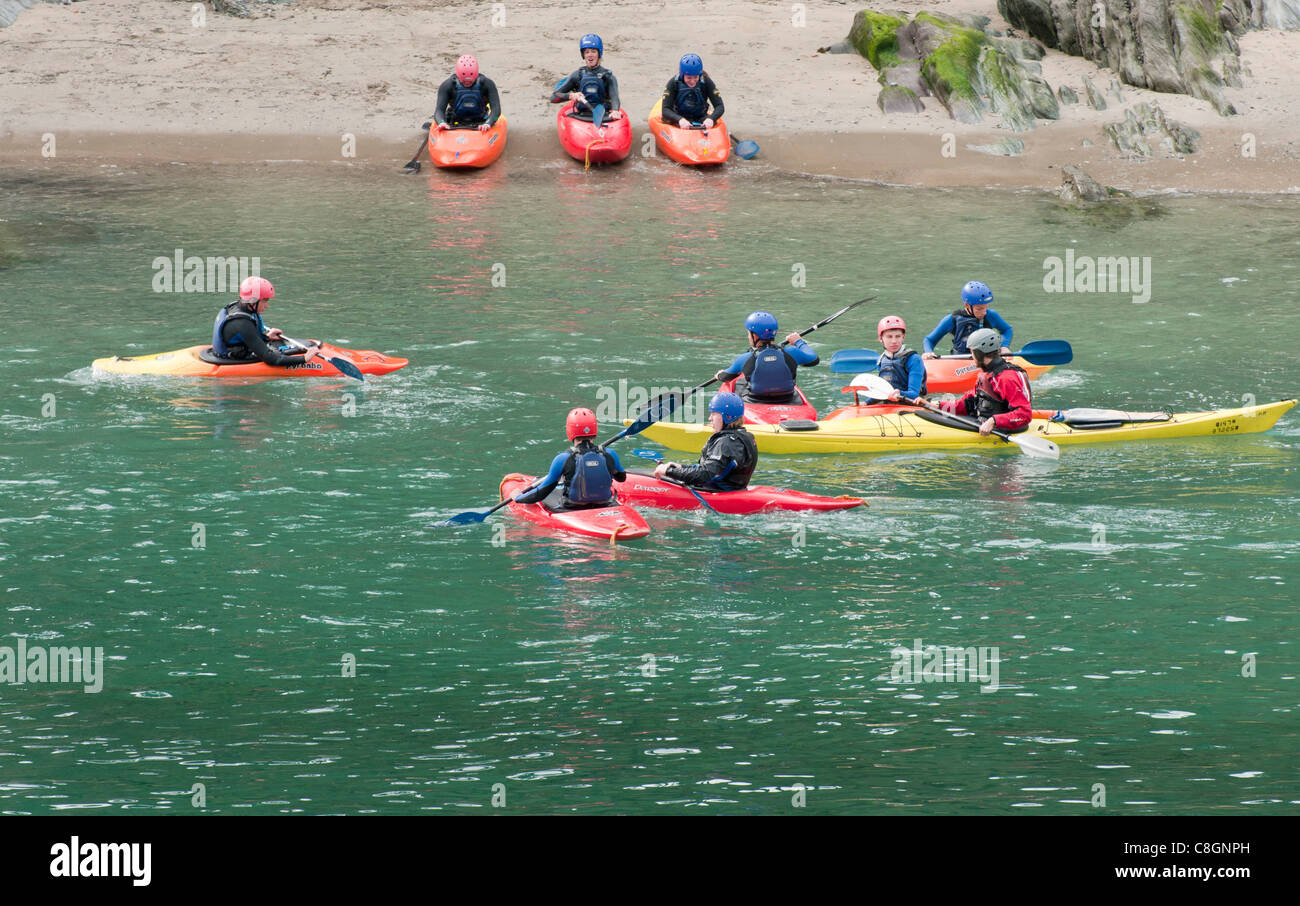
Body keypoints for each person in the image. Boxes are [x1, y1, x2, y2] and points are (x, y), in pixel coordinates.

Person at [514, 408, 627, 509]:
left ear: (570, 432)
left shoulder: (563, 459)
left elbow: (542, 492)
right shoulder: (610, 454)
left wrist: (518, 497)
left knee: (553, 490)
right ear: (595, 432)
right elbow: (621, 478)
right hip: (605, 504)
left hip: (573, 508)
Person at [653, 392, 757, 491]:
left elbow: (705, 475)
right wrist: (681, 468)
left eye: (714, 414)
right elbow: (713, 469)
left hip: (715, 493)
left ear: (728, 417)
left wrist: (668, 471)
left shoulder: (726, 443)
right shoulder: (745, 437)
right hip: (731, 489)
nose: (710, 418)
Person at [937, 328, 1032, 435]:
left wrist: (993, 421)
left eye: (972, 352)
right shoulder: (986, 374)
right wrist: (938, 405)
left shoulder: (1007, 378)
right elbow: (967, 404)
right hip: (983, 421)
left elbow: (1024, 415)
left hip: (1004, 428)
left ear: (979, 353)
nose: (971, 356)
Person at [211, 276, 322, 366]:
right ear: (253, 301)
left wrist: (266, 337)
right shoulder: (242, 323)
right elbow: (272, 360)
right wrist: (304, 359)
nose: (267, 305)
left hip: (232, 350)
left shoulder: (238, 307)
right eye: (265, 301)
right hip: (232, 359)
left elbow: (245, 337)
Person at [714, 311, 819, 404]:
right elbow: (814, 359)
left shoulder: (745, 358)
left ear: (755, 336)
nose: (748, 337)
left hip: (755, 401)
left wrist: (719, 375)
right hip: (788, 398)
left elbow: (726, 376)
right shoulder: (792, 352)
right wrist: (798, 341)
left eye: (749, 334)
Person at [922, 280, 1013, 358]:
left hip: (986, 360)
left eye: (986, 307)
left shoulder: (991, 315)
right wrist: (928, 352)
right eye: (979, 309)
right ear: (967, 305)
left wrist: (1004, 346)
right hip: (960, 361)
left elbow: (1007, 330)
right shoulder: (952, 319)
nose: (984, 312)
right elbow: (929, 340)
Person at [550, 33, 622, 128]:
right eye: (587, 52)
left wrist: (615, 110)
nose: (590, 55)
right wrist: (571, 95)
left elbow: (614, 98)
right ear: (583, 55)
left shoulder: (608, 76)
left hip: (604, 115)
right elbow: (553, 97)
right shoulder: (577, 75)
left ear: (599, 53)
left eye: (593, 51)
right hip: (581, 116)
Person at [433, 55, 503, 132]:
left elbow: (496, 110)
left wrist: (488, 123)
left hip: (481, 121)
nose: (467, 83)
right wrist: (441, 122)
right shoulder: (447, 85)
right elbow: (439, 110)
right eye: (464, 81)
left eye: (470, 81)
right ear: (458, 75)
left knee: (491, 120)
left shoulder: (487, 84)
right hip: (455, 120)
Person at [659, 53, 724, 129]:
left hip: (700, 118)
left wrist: (711, 119)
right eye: (689, 78)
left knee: (713, 122)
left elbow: (720, 106)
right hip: (679, 117)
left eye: (695, 77)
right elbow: (665, 109)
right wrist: (680, 119)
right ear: (682, 75)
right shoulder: (673, 83)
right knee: (666, 119)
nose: (692, 81)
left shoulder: (706, 82)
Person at [873, 315, 927, 401]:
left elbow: (914, 394)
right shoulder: (881, 360)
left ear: (903, 337)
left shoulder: (914, 359)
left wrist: (899, 393)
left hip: (912, 404)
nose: (894, 341)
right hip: (889, 404)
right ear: (880, 338)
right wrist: (865, 403)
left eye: (898, 336)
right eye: (889, 337)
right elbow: (881, 392)